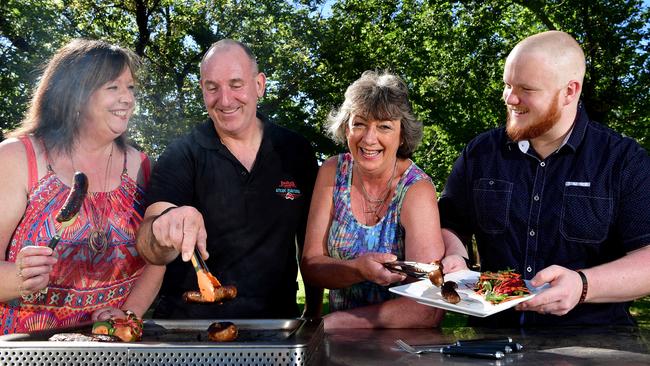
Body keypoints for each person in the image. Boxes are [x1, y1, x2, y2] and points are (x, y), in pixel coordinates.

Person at [439, 30, 650, 327]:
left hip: (593, 346)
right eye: (507, 85)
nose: (510, 98)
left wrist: (583, 285)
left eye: (526, 89)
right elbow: (452, 224)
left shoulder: (623, 160)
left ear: (569, 92)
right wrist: (456, 256)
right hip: (490, 341)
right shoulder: (480, 153)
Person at [135, 39, 320, 319]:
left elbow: (309, 244)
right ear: (202, 91)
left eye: (236, 85)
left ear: (259, 85)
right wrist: (163, 227)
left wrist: (314, 313)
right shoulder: (181, 154)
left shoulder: (295, 150)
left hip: (277, 327)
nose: (224, 100)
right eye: (212, 88)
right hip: (190, 330)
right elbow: (149, 245)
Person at [0, 39, 164, 334]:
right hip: (25, 350)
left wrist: (128, 315)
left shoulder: (142, 166)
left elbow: (157, 258)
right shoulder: (17, 158)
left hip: (112, 347)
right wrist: (19, 276)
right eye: (113, 87)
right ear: (74, 95)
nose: (127, 98)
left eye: (130, 88)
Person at [300, 70, 446, 329]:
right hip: (339, 343)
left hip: (404, 347)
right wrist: (357, 269)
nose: (369, 139)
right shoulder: (333, 171)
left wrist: (336, 323)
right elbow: (311, 265)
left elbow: (428, 307)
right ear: (346, 129)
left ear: (402, 135)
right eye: (359, 124)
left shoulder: (416, 189)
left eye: (384, 126)